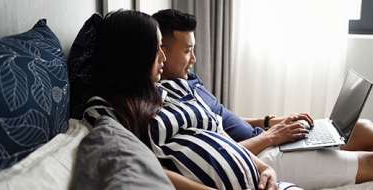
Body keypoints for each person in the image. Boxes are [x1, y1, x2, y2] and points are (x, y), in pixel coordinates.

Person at [152, 8, 373, 190]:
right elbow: (219, 150)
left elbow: (223, 120)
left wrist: (269, 121)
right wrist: (272, 137)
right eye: (188, 51)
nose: (195, 58)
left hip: (268, 138)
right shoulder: (164, 105)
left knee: (363, 128)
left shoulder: (186, 82)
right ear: (161, 49)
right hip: (260, 154)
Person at [85, 9, 291, 190]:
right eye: (157, 49)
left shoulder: (176, 86)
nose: (163, 58)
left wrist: (265, 168)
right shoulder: (104, 110)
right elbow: (139, 164)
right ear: (134, 54)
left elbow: (218, 134)